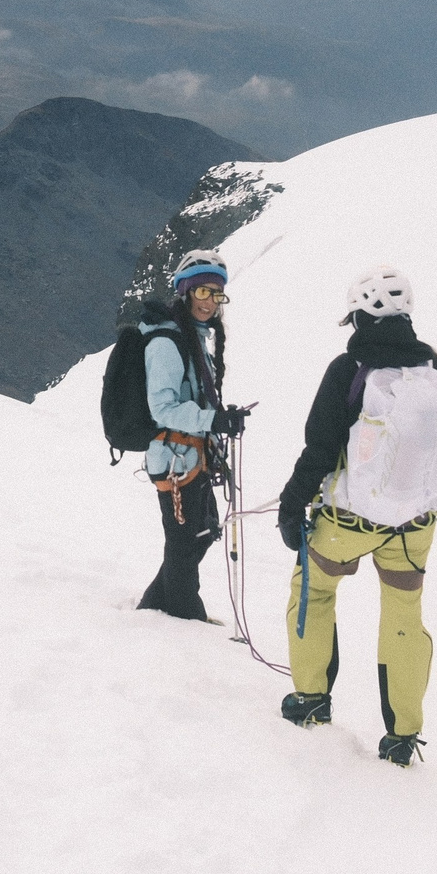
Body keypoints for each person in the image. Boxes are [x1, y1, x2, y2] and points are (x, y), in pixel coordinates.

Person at [273, 265, 437, 766]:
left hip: (350, 521)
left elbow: (320, 448)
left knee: (313, 591)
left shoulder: (349, 370)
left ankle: (311, 701)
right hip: (416, 524)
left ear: (360, 314)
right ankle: (403, 736)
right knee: (403, 615)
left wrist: (292, 504)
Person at [134, 249, 245, 621]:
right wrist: (213, 421)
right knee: (184, 545)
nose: (210, 301)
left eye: (216, 293)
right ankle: (186, 620)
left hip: (187, 456)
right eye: (202, 292)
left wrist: (216, 421)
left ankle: (152, 609)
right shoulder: (168, 343)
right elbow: (161, 408)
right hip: (175, 460)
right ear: (185, 292)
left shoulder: (190, 336)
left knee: (198, 534)